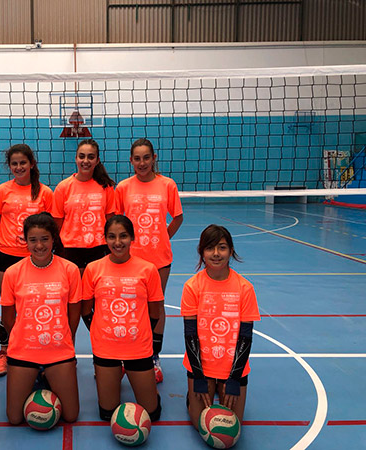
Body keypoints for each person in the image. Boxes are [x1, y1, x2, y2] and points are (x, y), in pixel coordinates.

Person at [0, 212, 81, 425]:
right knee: (14, 418)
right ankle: (37, 375)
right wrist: (22, 338)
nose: (39, 245)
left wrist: (66, 339)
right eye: (33, 240)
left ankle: (46, 375)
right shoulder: (13, 272)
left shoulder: (70, 270)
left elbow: (74, 312)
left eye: (44, 239)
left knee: (71, 415)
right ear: (25, 241)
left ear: (53, 239)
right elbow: (7, 317)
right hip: (23, 350)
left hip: (59, 350)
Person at [81, 215, 163, 422]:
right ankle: (115, 372)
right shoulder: (93, 269)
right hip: (106, 348)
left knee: (152, 414)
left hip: (138, 347)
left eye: (123, 236)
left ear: (132, 237)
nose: (117, 242)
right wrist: (100, 331)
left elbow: (155, 311)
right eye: (112, 237)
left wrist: (140, 333)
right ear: (105, 239)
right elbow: (85, 311)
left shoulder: (148, 269)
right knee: (107, 414)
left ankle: (143, 383)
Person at [115, 137, 183, 383]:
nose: (142, 163)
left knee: (156, 305)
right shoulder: (123, 187)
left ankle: (153, 356)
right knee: (131, 306)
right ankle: (126, 355)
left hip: (159, 259)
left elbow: (177, 217)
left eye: (146, 158)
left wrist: (162, 237)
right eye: (137, 159)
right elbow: (117, 221)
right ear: (131, 161)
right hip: (129, 259)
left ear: (154, 158)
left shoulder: (167, 185)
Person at [181, 224, 261, 429]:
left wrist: (234, 378)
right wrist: (198, 376)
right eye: (210, 248)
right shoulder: (192, 286)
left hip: (232, 367)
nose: (216, 254)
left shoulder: (245, 288)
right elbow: (190, 335)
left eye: (222, 247)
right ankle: (192, 397)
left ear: (231, 251)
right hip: (201, 365)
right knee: (202, 425)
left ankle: (221, 386)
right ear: (202, 252)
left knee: (230, 427)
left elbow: (245, 337)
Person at [0, 144, 53, 377]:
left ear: (31, 164)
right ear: (9, 166)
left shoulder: (45, 193)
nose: (19, 167)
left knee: (35, 305)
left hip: (36, 258)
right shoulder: (1, 191)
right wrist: (12, 241)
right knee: (9, 306)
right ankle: (6, 351)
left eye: (23, 163)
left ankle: (38, 351)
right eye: (14, 164)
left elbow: (50, 226)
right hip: (7, 255)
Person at [52, 139, 116, 276]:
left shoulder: (106, 187)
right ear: (76, 158)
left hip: (99, 247)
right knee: (73, 288)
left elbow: (110, 221)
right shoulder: (63, 187)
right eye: (82, 156)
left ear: (97, 161)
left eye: (91, 157)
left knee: (96, 287)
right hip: (70, 248)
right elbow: (57, 223)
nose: (85, 161)